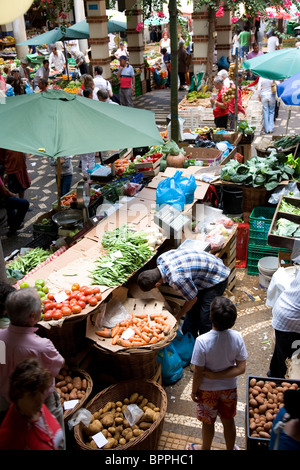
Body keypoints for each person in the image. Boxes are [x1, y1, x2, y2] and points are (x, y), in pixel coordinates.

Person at [0, 288, 65, 447]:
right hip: (41, 402)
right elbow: (57, 366)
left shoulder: (1, 338)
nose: (42, 309)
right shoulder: (41, 346)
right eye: (40, 308)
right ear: (32, 317)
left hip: (10, 401)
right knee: (54, 439)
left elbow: (2, 363)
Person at [187, 296, 248, 451]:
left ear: (210, 316)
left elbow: (198, 372)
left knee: (207, 423)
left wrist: (194, 390)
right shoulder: (237, 337)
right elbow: (241, 368)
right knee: (228, 421)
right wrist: (220, 376)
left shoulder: (202, 341)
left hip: (207, 391)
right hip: (229, 389)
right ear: (233, 319)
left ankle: (205, 448)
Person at [137, 248, 230, 338]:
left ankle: (206, 346)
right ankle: (190, 340)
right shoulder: (161, 259)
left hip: (217, 276)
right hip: (203, 272)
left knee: (205, 319)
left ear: (157, 284)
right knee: (191, 315)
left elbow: (193, 299)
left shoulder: (176, 279)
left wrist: (177, 316)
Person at [0, 358, 64, 450]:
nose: (40, 400)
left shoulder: (35, 408)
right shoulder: (8, 439)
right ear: (18, 394)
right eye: (32, 395)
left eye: (41, 392)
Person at [268, 269, 300, 379]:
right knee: (287, 361)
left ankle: (273, 374)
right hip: (290, 319)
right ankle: (280, 382)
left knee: (280, 350)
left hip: (284, 309)